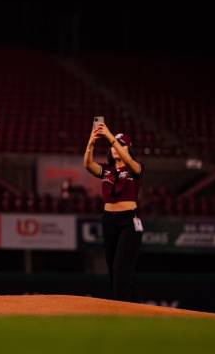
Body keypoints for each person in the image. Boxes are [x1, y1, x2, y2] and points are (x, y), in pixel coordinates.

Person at [83, 123, 143, 302]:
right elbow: (87, 164)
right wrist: (91, 142)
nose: (115, 148)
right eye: (113, 145)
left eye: (120, 144)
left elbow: (133, 165)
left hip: (128, 222)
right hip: (109, 220)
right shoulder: (107, 171)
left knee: (121, 268)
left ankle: (122, 308)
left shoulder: (135, 168)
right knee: (113, 267)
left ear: (128, 148)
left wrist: (110, 136)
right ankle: (132, 306)